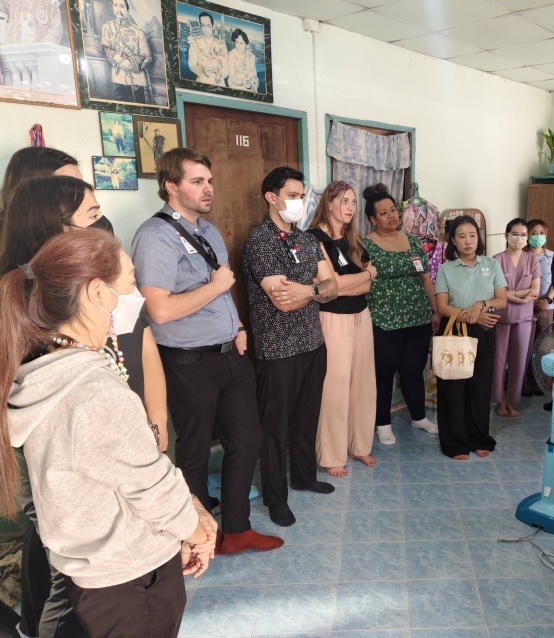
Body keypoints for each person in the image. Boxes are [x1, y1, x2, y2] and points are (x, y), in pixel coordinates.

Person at [1, 230, 217, 637]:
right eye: (131, 283)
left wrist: (190, 510)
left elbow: (129, 473)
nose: (135, 296)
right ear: (97, 292)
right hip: (132, 581)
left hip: (93, 574)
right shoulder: (93, 393)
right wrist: (197, 532)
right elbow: (151, 488)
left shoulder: (45, 372)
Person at [1, 173, 166, 638]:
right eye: (91, 216)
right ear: (55, 230)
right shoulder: (31, 311)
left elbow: (138, 341)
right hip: (75, 493)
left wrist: (151, 422)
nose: (102, 227)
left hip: (114, 439)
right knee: (67, 578)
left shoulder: (95, 292)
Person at [131, 147, 283, 555]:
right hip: (188, 361)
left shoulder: (209, 231)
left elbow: (223, 288)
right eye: (197, 181)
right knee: (195, 452)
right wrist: (216, 286)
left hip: (229, 354)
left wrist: (238, 326)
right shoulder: (155, 236)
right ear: (171, 186)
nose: (208, 188)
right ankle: (199, 535)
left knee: (246, 439)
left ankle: (236, 530)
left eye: (209, 181)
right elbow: (159, 310)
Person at [243, 167, 338, 528]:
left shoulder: (307, 239)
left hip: (313, 342)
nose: (300, 202)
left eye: (302, 196)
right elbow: (282, 300)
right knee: (275, 428)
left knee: (307, 417)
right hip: (277, 349)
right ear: (272, 197)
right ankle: (275, 497)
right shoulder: (260, 241)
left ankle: (303, 476)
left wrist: (308, 290)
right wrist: (314, 290)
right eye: (293, 196)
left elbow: (332, 287)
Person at [307, 181, 378, 477]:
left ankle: (359, 445)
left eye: (353, 202)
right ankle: (331, 453)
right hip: (332, 319)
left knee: (363, 383)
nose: (350, 208)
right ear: (329, 203)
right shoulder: (314, 238)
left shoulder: (353, 239)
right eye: (344, 201)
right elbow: (330, 287)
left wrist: (353, 282)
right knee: (335, 387)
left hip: (362, 315)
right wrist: (365, 277)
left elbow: (364, 285)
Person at [362, 183, 439, 446]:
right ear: (373, 219)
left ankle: (418, 417)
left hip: (417, 318)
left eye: (393, 210)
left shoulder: (413, 241)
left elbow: (425, 277)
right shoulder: (365, 245)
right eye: (383, 213)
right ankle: (382, 423)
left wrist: (434, 310)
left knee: (413, 371)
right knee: (384, 374)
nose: (391, 216)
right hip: (383, 320)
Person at [434, 215, 507, 460]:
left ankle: (478, 438)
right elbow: (442, 306)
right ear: (453, 241)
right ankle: (454, 443)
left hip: (485, 330)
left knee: (480, 387)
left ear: (479, 238)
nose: (468, 241)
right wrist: (472, 317)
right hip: (455, 330)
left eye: (472, 235)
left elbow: (502, 300)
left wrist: (480, 305)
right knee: (453, 389)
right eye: (462, 236)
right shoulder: (446, 269)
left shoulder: (491, 265)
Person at [491, 218, 540, 418]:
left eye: (523, 235)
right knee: (498, 361)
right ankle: (499, 401)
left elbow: (536, 290)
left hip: (524, 319)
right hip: (501, 318)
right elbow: (497, 291)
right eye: (515, 234)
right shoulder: (496, 260)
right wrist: (522, 296)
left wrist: (512, 295)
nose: (519, 238)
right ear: (506, 236)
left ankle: (512, 401)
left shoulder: (532, 260)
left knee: (519, 361)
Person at [522, 218, 554, 396]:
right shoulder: (523, 256)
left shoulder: (552, 256)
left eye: (541, 233)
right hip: (525, 305)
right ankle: (523, 383)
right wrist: (530, 300)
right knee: (525, 346)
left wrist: (547, 300)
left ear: (546, 234)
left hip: (547, 306)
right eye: (533, 233)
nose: (538, 236)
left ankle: (539, 382)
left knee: (544, 346)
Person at [100, 0, 151, 104]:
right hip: (118, 78)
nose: (118, 9)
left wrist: (130, 62)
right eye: (115, 5)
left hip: (137, 80)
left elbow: (147, 56)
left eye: (122, 6)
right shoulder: (107, 27)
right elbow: (105, 47)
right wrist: (116, 56)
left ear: (128, 10)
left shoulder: (138, 31)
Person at [187, 11, 227, 86]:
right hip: (202, 83)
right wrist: (202, 69)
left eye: (208, 26)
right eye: (203, 26)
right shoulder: (195, 43)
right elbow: (191, 65)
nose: (205, 29)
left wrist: (220, 74)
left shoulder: (221, 44)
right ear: (200, 26)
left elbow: (226, 67)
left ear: (213, 26)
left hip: (220, 84)